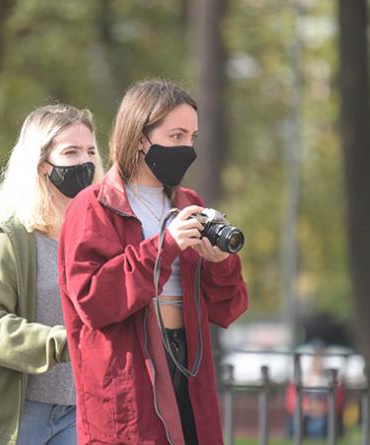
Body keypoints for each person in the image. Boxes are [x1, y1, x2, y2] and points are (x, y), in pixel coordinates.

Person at [57, 79, 248, 444]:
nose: (187, 147)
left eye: (192, 136)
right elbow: (93, 300)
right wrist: (166, 245)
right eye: (176, 136)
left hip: (188, 362)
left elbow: (229, 308)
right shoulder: (94, 205)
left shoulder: (189, 201)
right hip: (130, 369)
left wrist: (220, 262)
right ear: (140, 137)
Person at [0, 104, 104, 445]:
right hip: (18, 413)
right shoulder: (11, 237)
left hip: (79, 411)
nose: (86, 162)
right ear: (41, 165)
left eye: (91, 151)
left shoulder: (96, 235)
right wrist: (60, 343)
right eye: (71, 152)